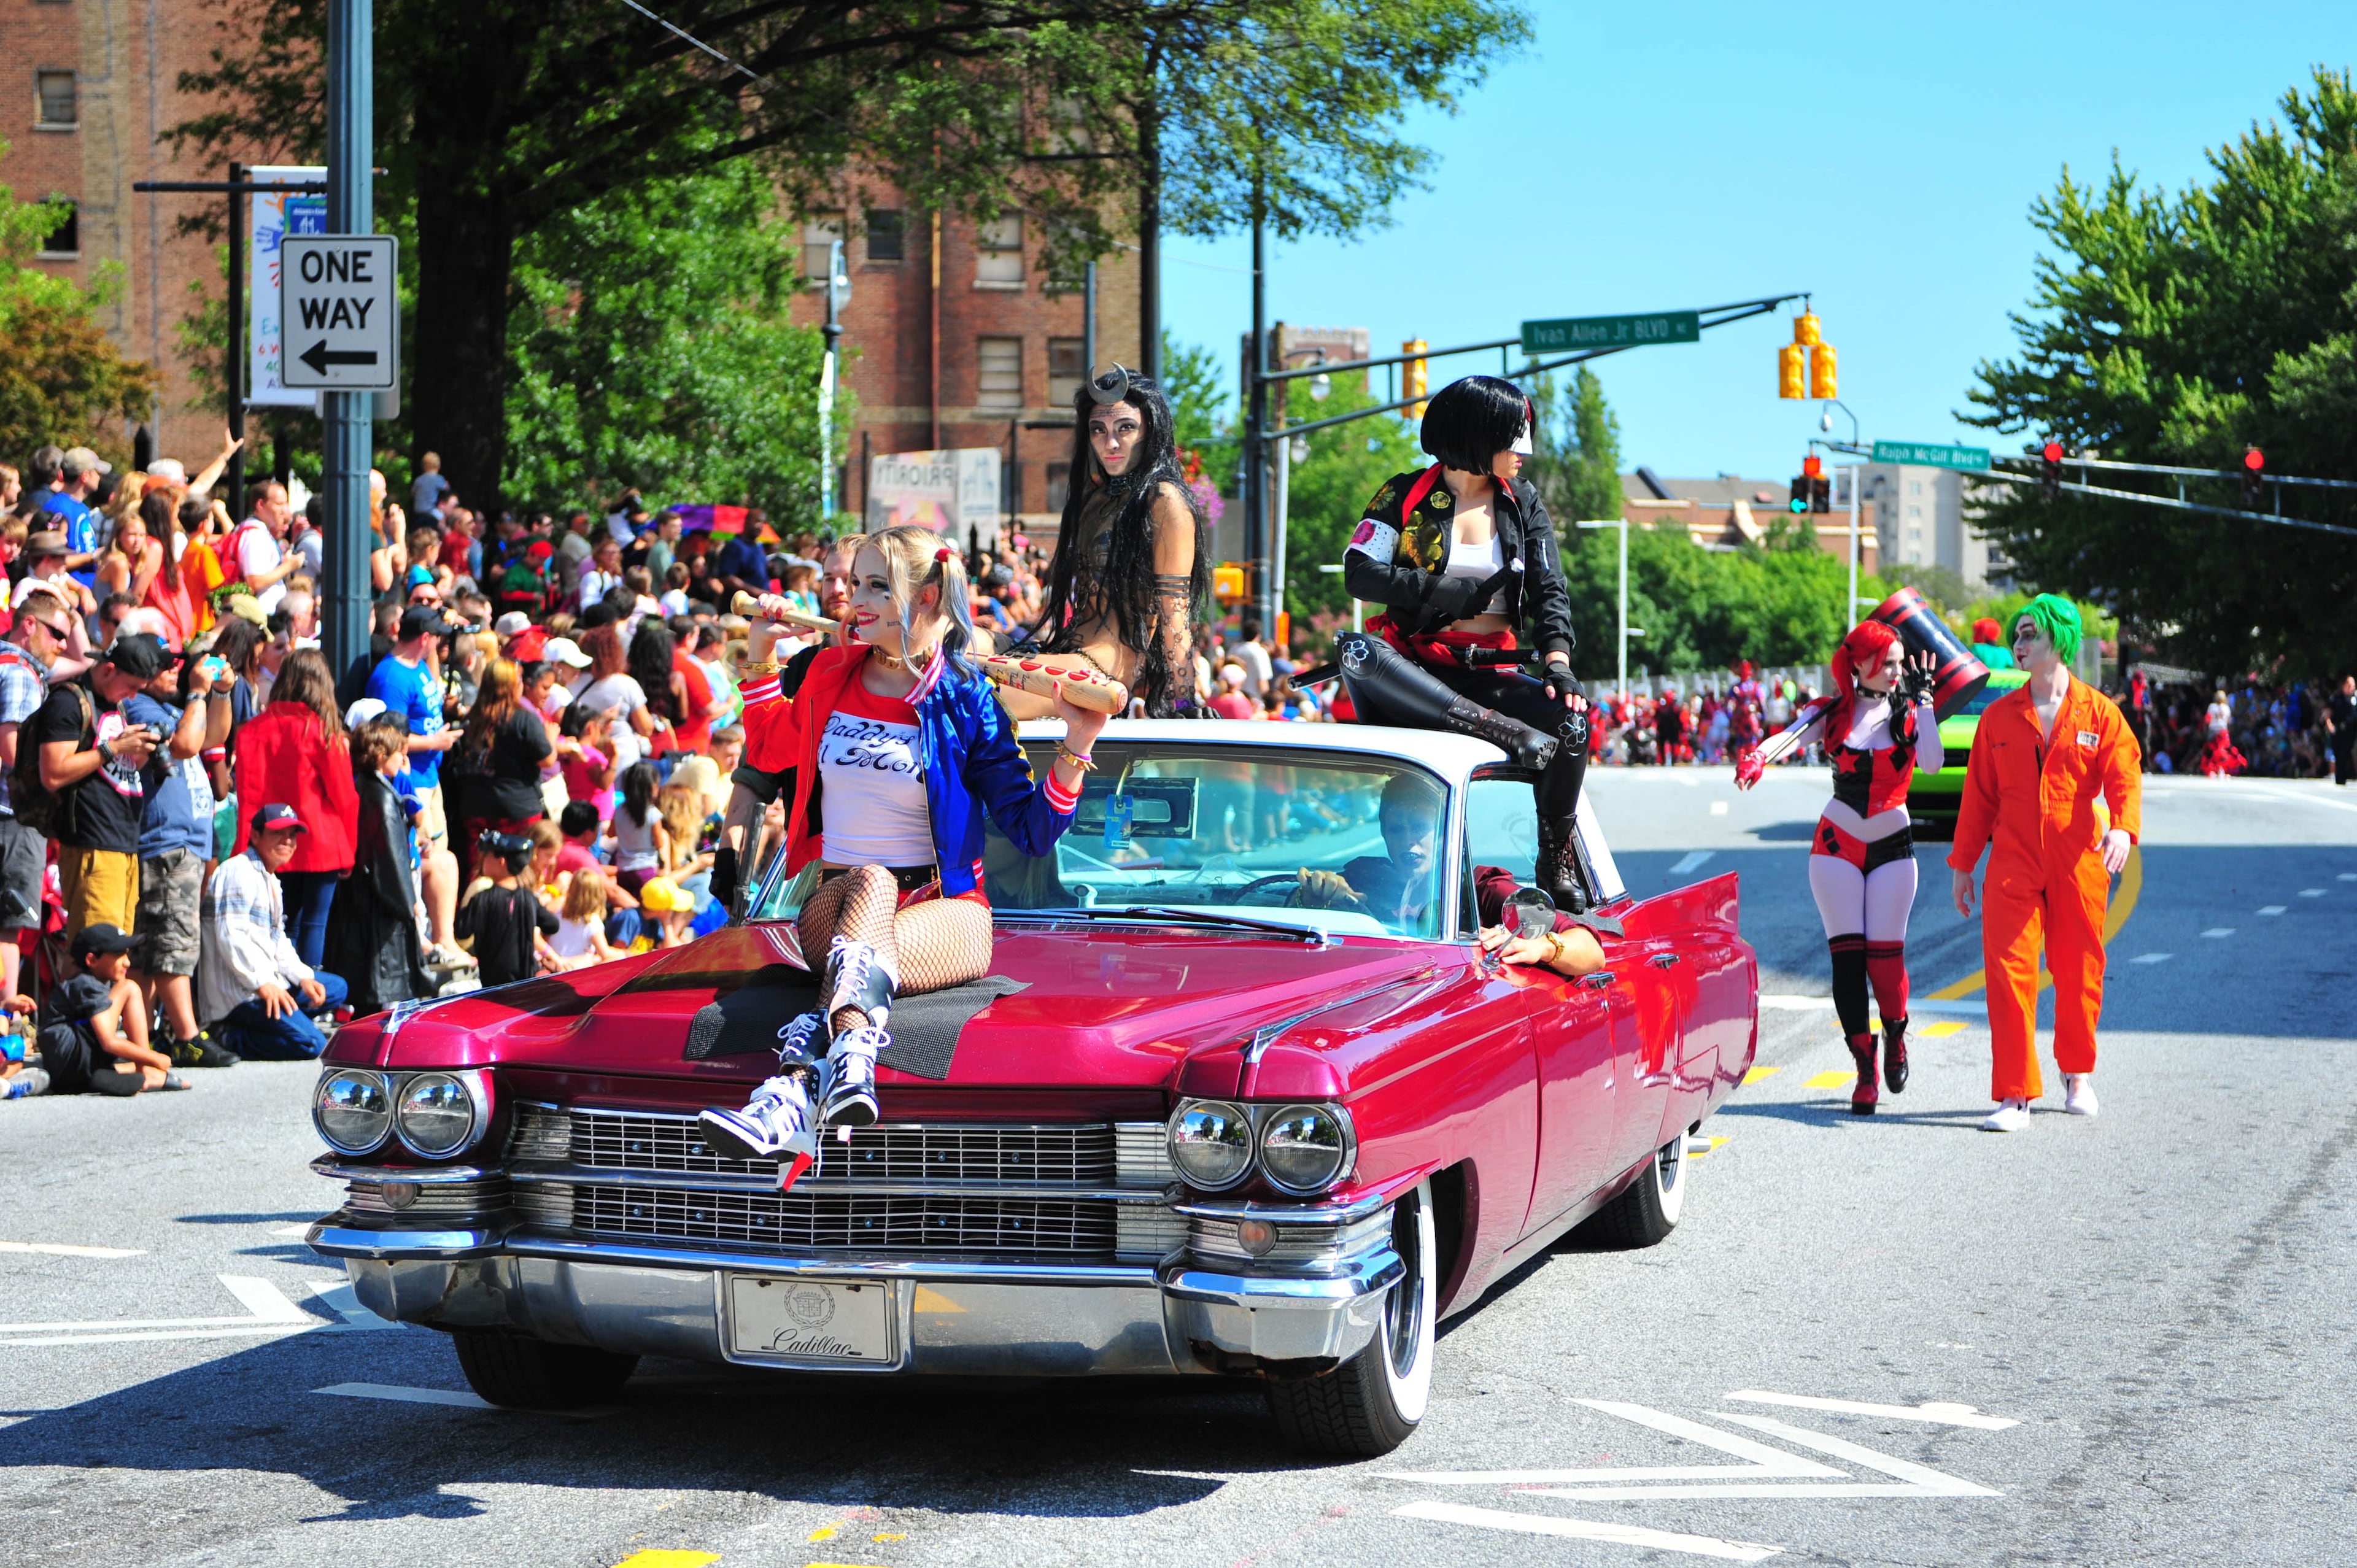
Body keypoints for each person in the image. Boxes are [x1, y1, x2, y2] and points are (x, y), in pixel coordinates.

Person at [700, 526, 1101, 1170]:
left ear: (929, 595)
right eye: (855, 583)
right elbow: (772, 751)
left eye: (877, 585)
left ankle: (797, 1085)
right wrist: (759, 653)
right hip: (834, 903)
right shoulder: (831, 671)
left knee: (878, 897)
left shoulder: (968, 698)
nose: (855, 599)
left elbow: (1031, 830)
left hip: (949, 917)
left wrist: (1078, 744)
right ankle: (853, 1047)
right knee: (872, 882)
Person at [1335, 374, 1592, 907]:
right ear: (1477, 436)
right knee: (1357, 650)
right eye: (1514, 437)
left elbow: (1550, 590)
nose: (1525, 451)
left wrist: (1559, 663)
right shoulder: (1403, 491)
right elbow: (1359, 571)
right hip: (1415, 675)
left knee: (1572, 722)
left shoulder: (1523, 502)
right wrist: (1441, 591)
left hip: (1489, 674)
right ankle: (1507, 734)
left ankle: (1556, 858)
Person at [1949, 596, 2141, 1133]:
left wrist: (2123, 826)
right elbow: (1979, 797)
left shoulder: (2099, 713)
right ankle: (2015, 1094)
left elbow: (2124, 773)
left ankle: (2077, 1074)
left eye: (2030, 632)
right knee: (2009, 972)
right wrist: (1964, 864)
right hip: (2012, 856)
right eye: (2017, 634)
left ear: (2059, 639)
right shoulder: (1998, 717)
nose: (2020, 642)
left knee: (2080, 969)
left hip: (2079, 855)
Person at [1736, 620, 1941, 1113]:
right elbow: (1786, 737)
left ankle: (1896, 1035)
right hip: (1836, 844)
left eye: (1899, 662)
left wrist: (1928, 702)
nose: (1896, 671)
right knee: (1847, 961)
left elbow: (1932, 763)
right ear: (1859, 663)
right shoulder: (1834, 711)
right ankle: (1864, 1066)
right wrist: (1756, 759)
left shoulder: (1910, 712)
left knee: (1886, 961)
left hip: (1893, 845)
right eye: (1887, 662)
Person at [1002, 365, 1206, 717]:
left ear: (1150, 431)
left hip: (1102, 673)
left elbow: (1176, 613)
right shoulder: (1093, 503)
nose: (1110, 443)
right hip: (1063, 654)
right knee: (953, 642)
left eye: (1125, 428)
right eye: (1099, 430)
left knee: (961, 689)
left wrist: (1184, 702)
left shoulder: (1165, 501)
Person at [1289, 773, 1606, 970]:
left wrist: (1541, 946)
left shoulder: (1481, 888)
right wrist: (1313, 895)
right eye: (1396, 830)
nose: (1408, 842)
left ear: (1444, 831)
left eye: (1420, 828)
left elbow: (1591, 952)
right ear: (1384, 834)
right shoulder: (1366, 877)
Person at [124, 635, 236, 1068]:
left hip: (186, 840)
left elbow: (213, 737)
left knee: (158, 948)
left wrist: (221, 690)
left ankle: (148, 1035)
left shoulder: (173, 708)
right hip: (164, 840)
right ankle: (187, 1036)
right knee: (172, 942)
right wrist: (197, 689)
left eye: (178, 662)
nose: (175, 668)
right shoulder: (140, 707)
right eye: (166, 663)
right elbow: (187, 745)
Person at [35, 631, 168, 940]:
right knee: (94, 955)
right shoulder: (69, 701)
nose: (134, 697)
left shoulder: (114, 704)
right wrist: (114, 748)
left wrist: (139, 750)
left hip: (124, 844)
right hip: (92, 845)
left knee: (114, 956)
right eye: (132, 687)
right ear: (109, 670)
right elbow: (52, 773)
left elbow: (115, 767)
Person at [231, 649, 358, 969]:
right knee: (314, 924)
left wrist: (245, 845)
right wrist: (350, 850)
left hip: (270, 840)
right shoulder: (323, 732)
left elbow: (248, 796)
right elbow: (345, 797)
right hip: (321, 842)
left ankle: (283, 994)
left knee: (279, 925)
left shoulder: (251, 731)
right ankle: (309, 997)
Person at [199, 805, 350, 1059]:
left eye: (292, 835)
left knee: (335, 988)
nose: (288, 841)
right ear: (255, 836)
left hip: (267, 980)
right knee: (311, 1044)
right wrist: (262, 984)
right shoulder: (239, 871)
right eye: (278, 834)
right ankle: (227, 1034)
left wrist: (303, 977)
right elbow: (231, 937)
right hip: (240, 994)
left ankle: (281, 1021)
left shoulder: (269, 878)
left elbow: (277, 939)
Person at [325, 714, 434, 1016]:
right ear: (381, 755)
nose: (404, 757)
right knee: (377, 984)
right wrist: (408, 901)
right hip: (380, 905)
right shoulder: (384, 799)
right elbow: (392, 858)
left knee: (365, 986)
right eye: (399, 752)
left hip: (361, 898)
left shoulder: (363, 787)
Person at [0, 589, 70, 1000]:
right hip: (13, 814)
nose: (62, 644)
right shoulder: (20, 673)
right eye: (57, 633)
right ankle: (7, 1015)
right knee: (9, 923)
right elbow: (12, 749)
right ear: (30, 625)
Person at [39, 924, 188, 1095]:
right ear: (92, 960)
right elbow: (108, 1042)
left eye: (127, 953)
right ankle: (144, 1069)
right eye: (119, 955)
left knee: (126, 989)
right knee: (129, 988)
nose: (127, 961)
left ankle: (113, 1075)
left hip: (67, 1070)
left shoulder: (93, 983)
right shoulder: (85, 984)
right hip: (71, 1060)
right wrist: (154, 1058)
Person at [368, 604, 460, 860]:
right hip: (413, 781)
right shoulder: (391, 678)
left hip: (430, 777)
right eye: (437, 636)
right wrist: (436, 741)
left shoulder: (418, 664)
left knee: (440, 854)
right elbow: (388, 738)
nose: (440, 642)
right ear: (425, 638)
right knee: (430, 860)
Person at [454, 829, 560, 986]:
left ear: (501, 862)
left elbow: (462, 931)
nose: (483, 860)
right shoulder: (528, 897)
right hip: (524, 983)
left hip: (492, 985)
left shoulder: (482, 898)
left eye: (488, 856)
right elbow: (552, 924)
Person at [227, 481, 301, 614]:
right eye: (279, 504)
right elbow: (254, 581)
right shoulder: (256, 535)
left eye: (286, 503)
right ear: (260, 505)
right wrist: (289, 566)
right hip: (262, 616)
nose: (285, 510)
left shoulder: (259, 532)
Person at [2328, 674, 2357, 787]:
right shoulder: (2336, 697)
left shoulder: (2355, 698)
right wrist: (2330, 725)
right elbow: (2328, 713)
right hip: (2338, 729)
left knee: (2346, 752)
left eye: (2353, 685)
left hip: (2351, 731)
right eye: (2350, 685)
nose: (2352, 687)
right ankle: (2340, 778)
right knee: (2339, 753)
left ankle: (2345, 776)